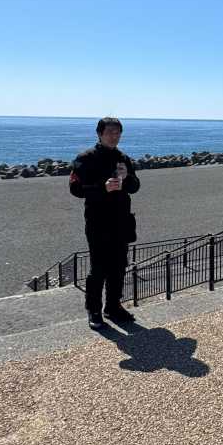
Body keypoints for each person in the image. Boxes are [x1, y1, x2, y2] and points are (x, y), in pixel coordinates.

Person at [69, 117, 141, 330]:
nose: (114, 136)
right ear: (99, 134)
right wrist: (103, 187)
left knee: (119, 267)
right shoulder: (86, 158)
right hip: (98, 221)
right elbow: (75, 189)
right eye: (110, 132)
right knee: (98, 269)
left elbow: (135, 186)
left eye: (117, 132)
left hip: (122, 220)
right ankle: (94, 310)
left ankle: (113, 306)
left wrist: (127, 179)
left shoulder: (123, 158)